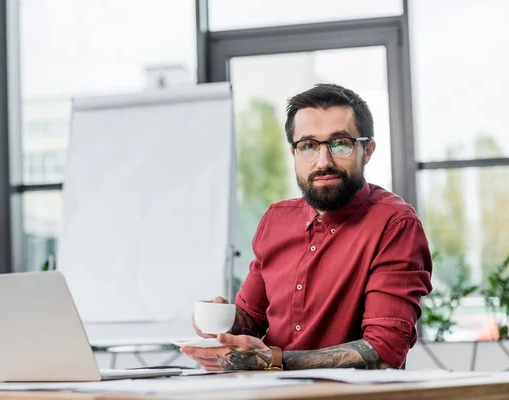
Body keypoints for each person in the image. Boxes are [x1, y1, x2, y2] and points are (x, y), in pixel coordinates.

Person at [180, 83, 433, 371]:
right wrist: (223, 321)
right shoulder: (276, 219)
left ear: (368, 150)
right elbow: (251, 319)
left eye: (340, 143)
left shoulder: (394, 224)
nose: (323, 162)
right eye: (309, 146)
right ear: (294, 153)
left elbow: (384, 350)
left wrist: (272, 361)